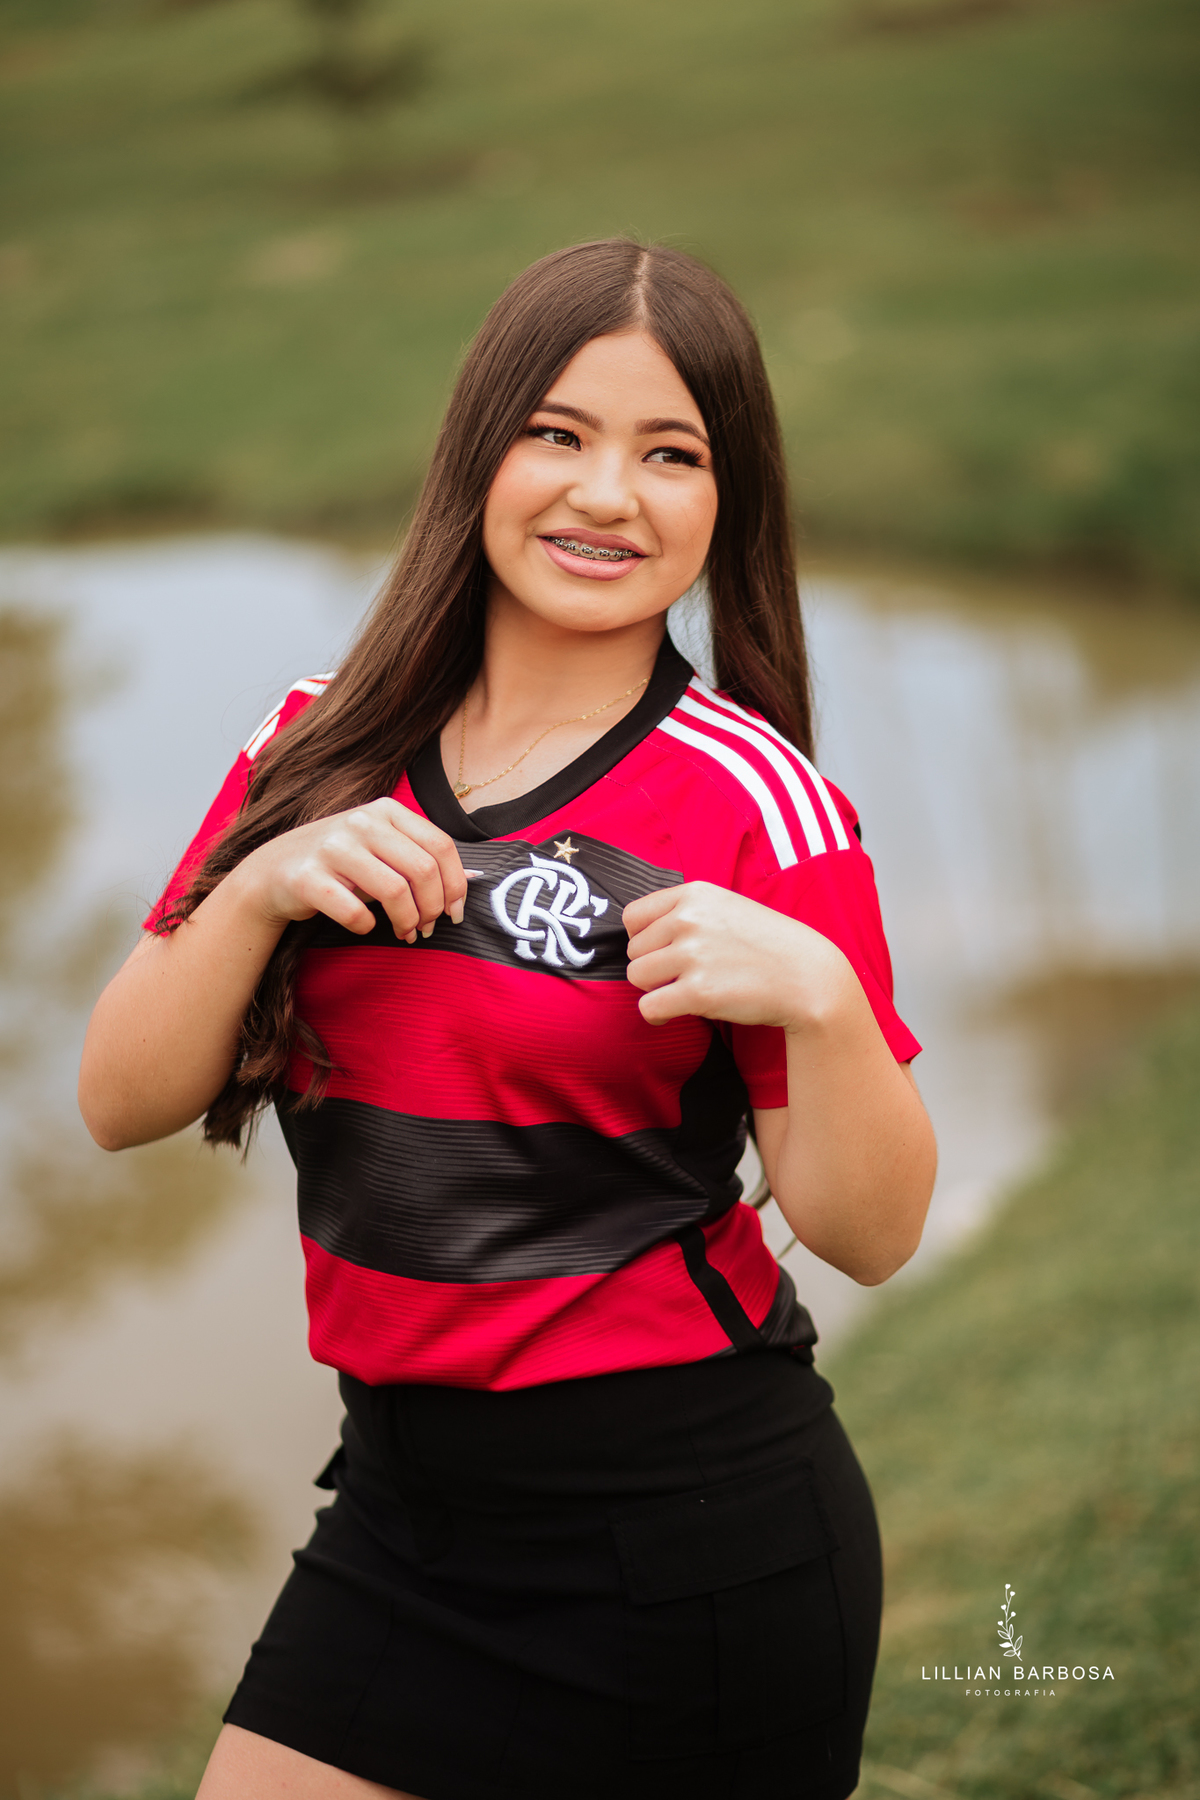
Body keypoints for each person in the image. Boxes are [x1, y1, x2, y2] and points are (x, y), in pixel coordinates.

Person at [79, 238, 936, 1800]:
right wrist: (262, 886)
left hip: (691, 1540)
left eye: (669, 453)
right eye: (559, 432)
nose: (607, 494)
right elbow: (119, 1098)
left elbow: (870, 1234)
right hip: (404, 1519)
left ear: (722, 500)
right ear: (479, 449)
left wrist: (822, 1001)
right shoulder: (315, 742)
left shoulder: (766, 808)